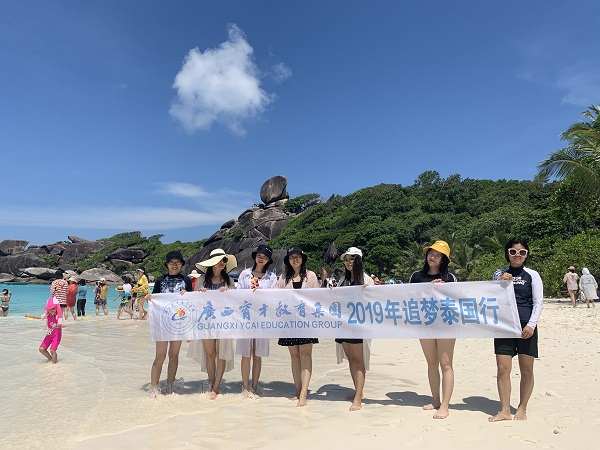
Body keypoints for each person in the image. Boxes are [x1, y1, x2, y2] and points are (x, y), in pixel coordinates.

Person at [489, 238, 543, 422]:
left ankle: (522, 407)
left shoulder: (532, 275)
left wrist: (531, 325)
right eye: (513, 252)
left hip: (526, 326)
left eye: (521, 252)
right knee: (502, 368)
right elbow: (491, 296)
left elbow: (538, 302)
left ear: (526, 255)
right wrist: (500, 283)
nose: (517, 255)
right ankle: (504, 410)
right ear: (508, 253)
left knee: (526, 369)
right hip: (504, 326)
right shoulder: (499, 274)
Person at [409, 240, 457, 419]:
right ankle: (436, 399)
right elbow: (406, 297)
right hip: (425, 325)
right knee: (431, 363)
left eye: (438, 255)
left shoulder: (450, 278)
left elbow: (458, 300)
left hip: (446, 325)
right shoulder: (416, 276)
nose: (433, 257)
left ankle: (445, 405)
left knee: (446, 364)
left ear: (444, 259)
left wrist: (442, 289)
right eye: (431, 253)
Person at [186, 248, 237, 400]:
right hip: (206, 322)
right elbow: (194, 301)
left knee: (221, 354)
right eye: (220, 260)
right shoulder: (202, 280)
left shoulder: (229, 281)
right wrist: (200, 292)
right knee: (209, 355)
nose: (223, 263)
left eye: (224, 260)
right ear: (212, 263)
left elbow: (235, 301)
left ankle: (216, 387)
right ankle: (212, 381)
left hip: (223, 322)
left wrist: (229, 291)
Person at [277, 246, 320, 407]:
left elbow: (318, 297)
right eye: (291, 257)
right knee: (294, 357)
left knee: (306, 355)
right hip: (289, 322)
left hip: (306, 321)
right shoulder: (283, 278)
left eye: (298, 256)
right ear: (288, 260)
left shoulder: (311, 275)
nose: (295, 260)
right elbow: (275, 296)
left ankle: (304, 392)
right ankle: (297, 390)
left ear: (302, 258)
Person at [147, 251, 193, 397]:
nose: (174, 265)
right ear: (167, 264)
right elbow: (154, 299)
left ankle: (169, 385)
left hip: (179, 324)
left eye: (177, 262)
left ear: (181, 265)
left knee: (174, 355)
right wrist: (149, 297)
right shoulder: (160, 280)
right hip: (162, 323)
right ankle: (154, 387)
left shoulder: (186, 280)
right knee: (160, 356)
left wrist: (189, 329)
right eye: (172, 262)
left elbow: (191, 303)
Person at [333, 246, 374, 411]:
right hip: (344, 325)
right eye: (346, 259)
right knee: (351, 359)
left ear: (359, 260)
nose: (349, 262)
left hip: (359, 326)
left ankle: (358, 397)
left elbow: (375, 301)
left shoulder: (366, 279)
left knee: (358, 360)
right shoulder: (343, 279)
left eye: (352, 259)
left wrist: (367, 292)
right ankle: (358, 391)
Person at [236, 244, 278, 396]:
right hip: (246, 318)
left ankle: (254, 386)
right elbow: (238, 294)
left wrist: (263, 293)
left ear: (268, 260)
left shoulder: (272, 277)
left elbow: (274, 297)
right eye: (259, 256)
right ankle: (245, 387)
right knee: (245, 354)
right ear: (255, 257)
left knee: (257, 354)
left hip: (262, 319)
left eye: (265, 257)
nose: (261, 259)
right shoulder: (245, 274)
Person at [25, 296, 63, 364]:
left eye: (53, 308)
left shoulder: (58, 316)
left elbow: (60, 324)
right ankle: (51, 359)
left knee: (52, 350)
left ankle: (54, 366)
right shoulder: (48, 314)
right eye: (50, 309)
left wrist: (56, 325)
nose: (51, 310)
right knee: (41, 349)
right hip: (49, 334)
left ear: (56, 308)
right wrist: (30, 316)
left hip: (57, 335)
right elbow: (40, 317)